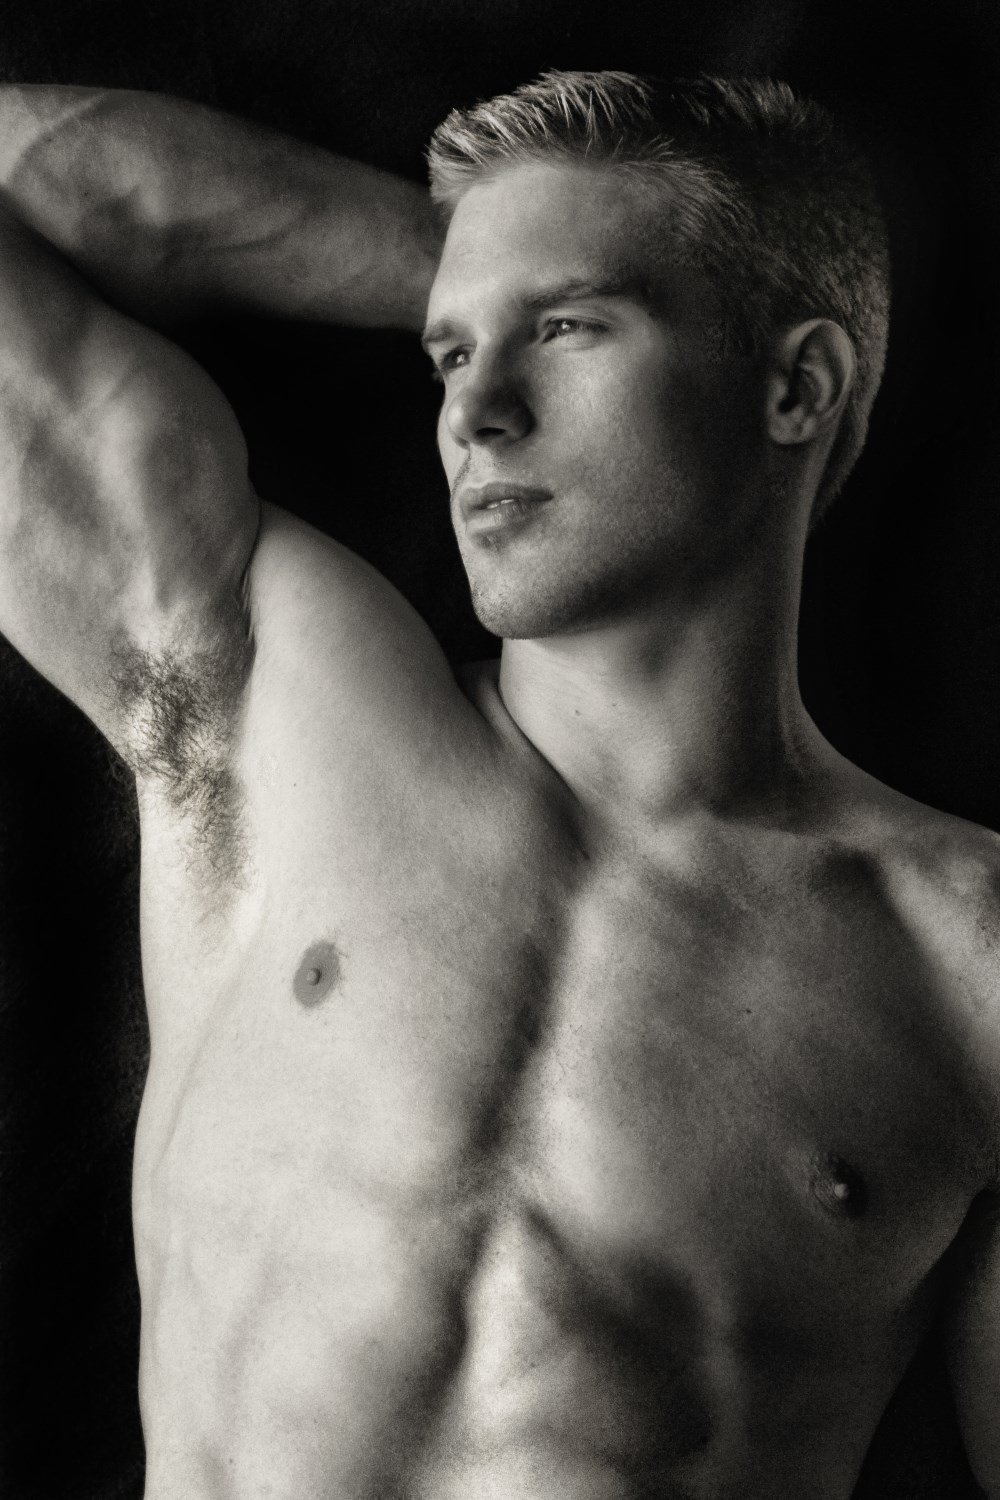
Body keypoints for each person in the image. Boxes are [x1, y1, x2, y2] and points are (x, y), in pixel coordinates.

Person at [0, 67, 996, 1499]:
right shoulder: (257, 697)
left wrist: (692, 264)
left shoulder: (966, 961)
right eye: (450, 352)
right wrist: (485, 252)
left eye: (569, 329)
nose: (476, 413)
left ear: (796, 385)